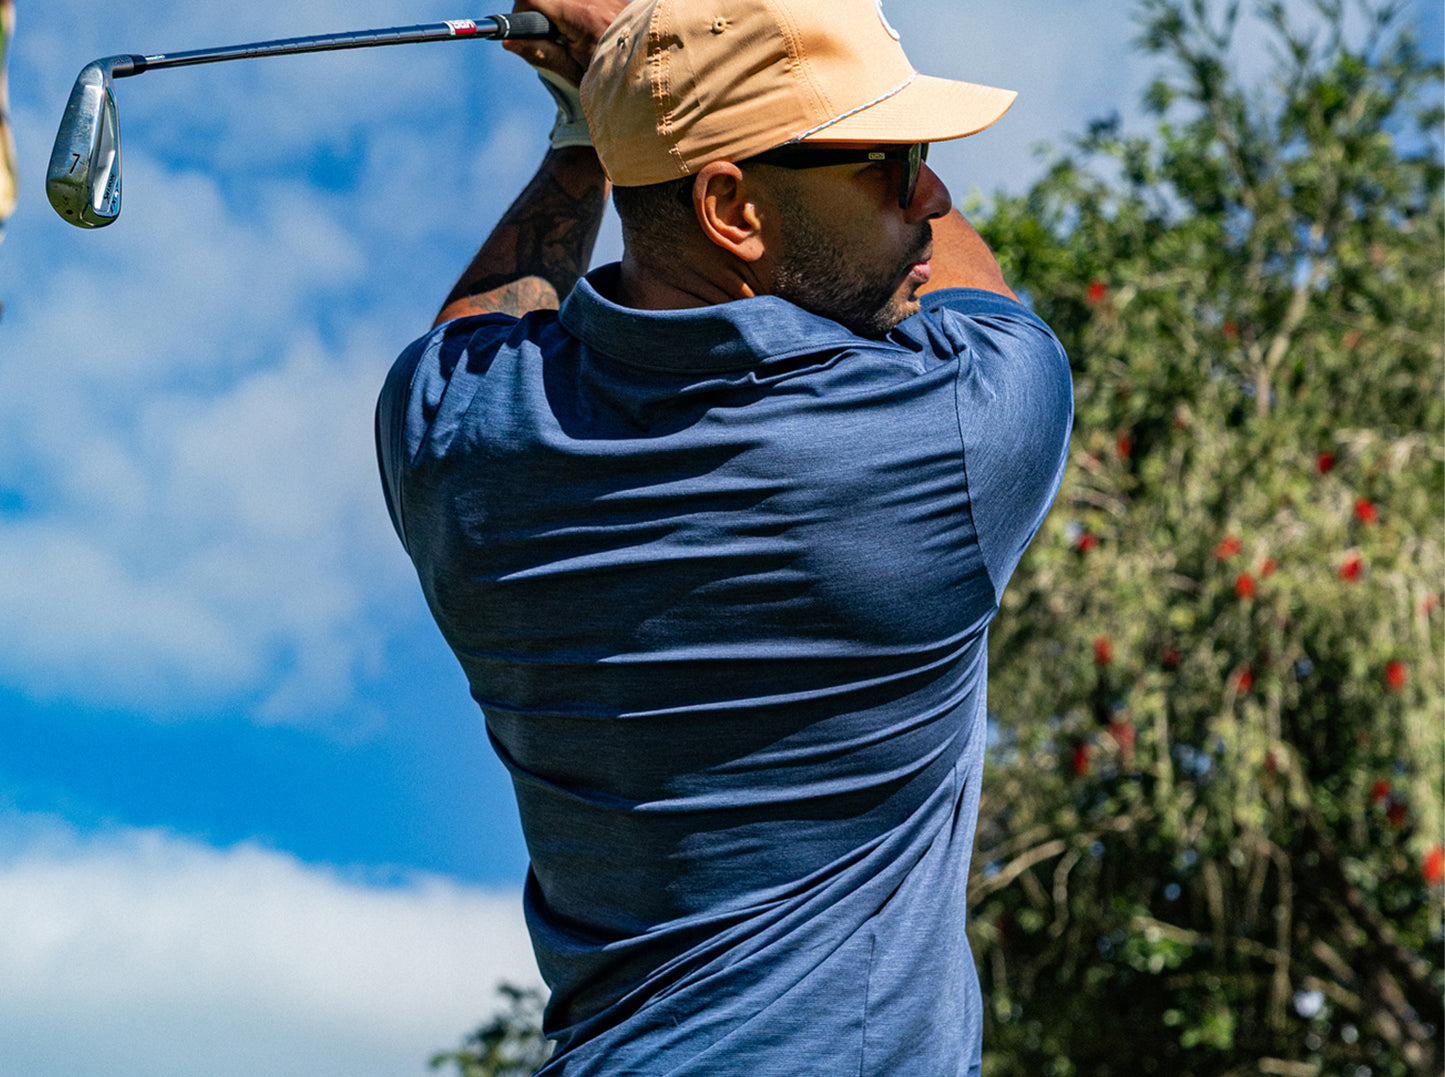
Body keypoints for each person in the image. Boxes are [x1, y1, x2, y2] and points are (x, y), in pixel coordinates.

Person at [376, 0, 1074, 1071]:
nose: (927, 197)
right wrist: (608, 87)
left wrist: (592, 126)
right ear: (731, 208)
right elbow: (986, 306)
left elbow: (469, 344)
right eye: (891, 162)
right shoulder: (954, 438)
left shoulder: (456, 449)